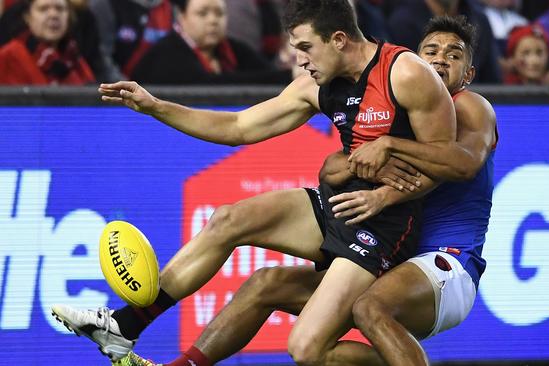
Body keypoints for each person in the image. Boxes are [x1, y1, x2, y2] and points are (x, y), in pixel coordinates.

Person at [51, 0, 456, 365]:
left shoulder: (405, 74)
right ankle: (125, 326)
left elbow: (448, 162)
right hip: (339, 202)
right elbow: (240, 126)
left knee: (304, 348)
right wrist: (156, 107)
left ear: (338, 39)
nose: (300, 60)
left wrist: (384, 196)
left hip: (384, 224)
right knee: (229, 219)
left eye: (305, 48)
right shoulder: (316, 84)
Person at [130, 0, 289, 85]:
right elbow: (210, 85)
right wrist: (288, 76)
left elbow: (266, 73)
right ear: (181, 16)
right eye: (203, 13)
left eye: (219, 13)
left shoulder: (234, 48)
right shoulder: (166, 53)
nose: (213, 20)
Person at [387, 0, 502, 83]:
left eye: (453, 56)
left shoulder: (480, 19)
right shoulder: (401, 22)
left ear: (469, 74)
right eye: (431, 53)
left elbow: (493, 79)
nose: (441, 60)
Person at [0, 0, 96, 84]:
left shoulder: (74, 56)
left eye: (60, 9)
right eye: (43, 9)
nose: (53, 15)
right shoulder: (9, 55)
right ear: (28, 17)